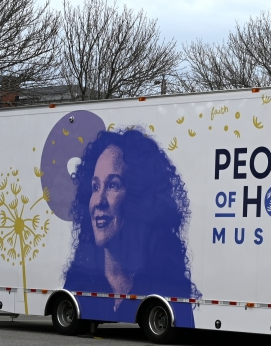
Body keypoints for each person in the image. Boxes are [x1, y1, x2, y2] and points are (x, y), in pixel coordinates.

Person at [63, 129, 199, 325]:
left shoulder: (165, 280)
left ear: (139, 196)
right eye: (95, 187)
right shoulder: (80, 280)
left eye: (112, 185)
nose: (99, 201)